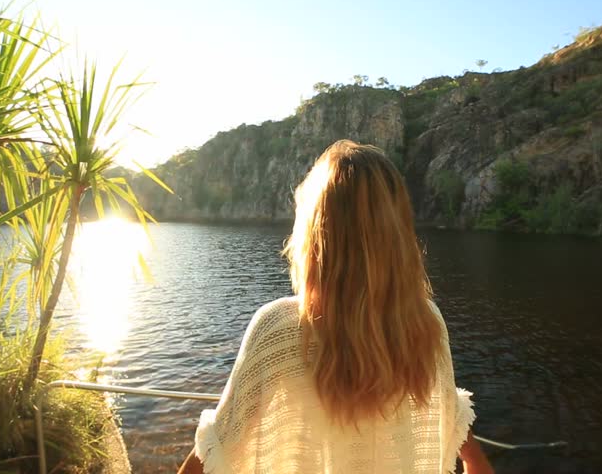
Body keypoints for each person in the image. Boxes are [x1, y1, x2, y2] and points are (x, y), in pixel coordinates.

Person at [178, 140, 493, 474]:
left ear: (314, 233)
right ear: (399, 231)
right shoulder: (426, 323)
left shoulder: (280, 328)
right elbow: (465, 447)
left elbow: (217, 449)